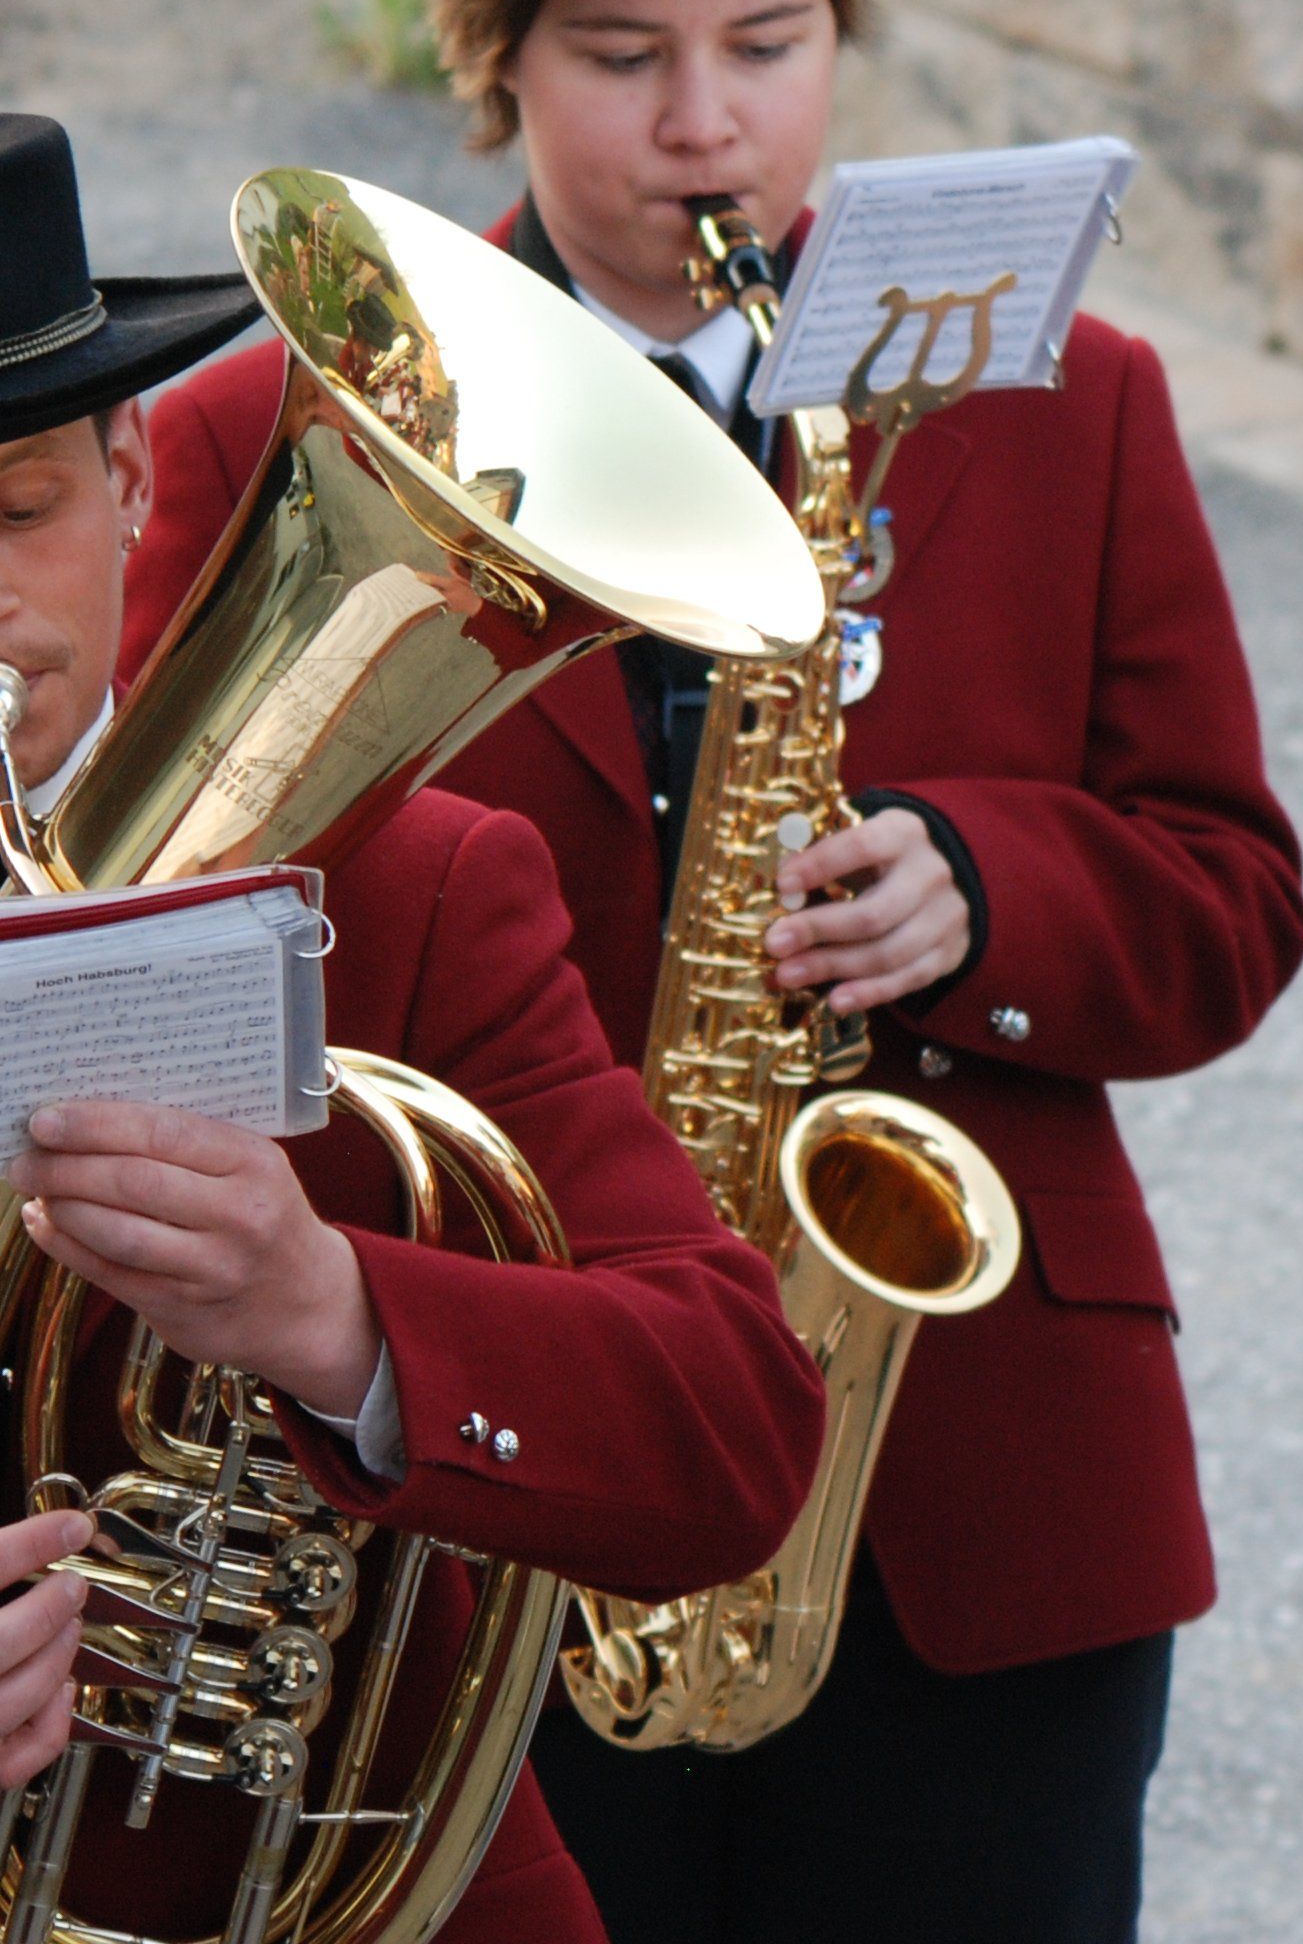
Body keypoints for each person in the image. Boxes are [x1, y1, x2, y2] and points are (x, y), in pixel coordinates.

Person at [122, 0, 1303, 1944]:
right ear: (491, 57)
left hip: (976, 1498)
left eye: (768, 44)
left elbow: (1235, 900)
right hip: (484, 1470)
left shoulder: (1066, 399)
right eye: (619, 55)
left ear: (844, 34)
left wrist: (991, 890)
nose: (706, 123)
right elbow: (182, 935)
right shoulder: (270, 431)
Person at [0, 111, 825, 1938]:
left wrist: (336, 1315)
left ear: (132, 477)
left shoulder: (416, 889)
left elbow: (740, 1431)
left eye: (18, 509)